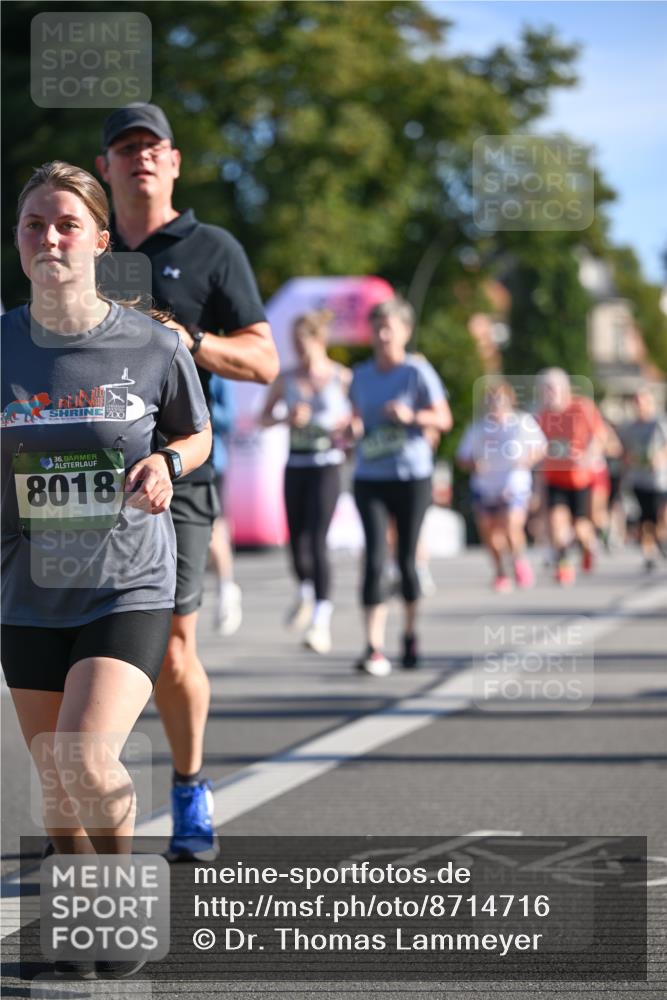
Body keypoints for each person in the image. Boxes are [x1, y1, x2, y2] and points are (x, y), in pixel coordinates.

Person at [1, 161, 211, 978]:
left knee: (86, 758)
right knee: (53, 780)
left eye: (64, 225)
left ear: (96, 238)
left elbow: (196, 434)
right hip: (25, 587)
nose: (49, 238)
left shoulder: (151, 342)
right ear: (18, 241)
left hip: (126, 581)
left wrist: (167, 462)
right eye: (33, 225)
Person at [95, 103, 279, 861]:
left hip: (182, 468)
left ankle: (189, 784)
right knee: (86, 643)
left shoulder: (212, 249)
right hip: (88, 474)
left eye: (153, 147)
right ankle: (86, 798)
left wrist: (191, 340)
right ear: (104, 167)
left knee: (171, 646)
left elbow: (265, 362)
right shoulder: (81, 246)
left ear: (174, 162)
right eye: (125, 148)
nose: (140, 158)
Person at [350, 296, 452, 675]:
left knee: (407, 562)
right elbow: (354, 418)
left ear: (406, 332)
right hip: (370, 477)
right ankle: (373, 646)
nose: (382, 334)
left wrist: (412, 415)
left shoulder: (417, 372)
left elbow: (444, 418)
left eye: (390, 327)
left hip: (411, 476)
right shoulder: (360, 374)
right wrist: (352, 427)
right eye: (377, 327)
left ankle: (409, 633)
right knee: (375, 559)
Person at [260, 310, 351, 654]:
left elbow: (357, 419)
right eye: (295, 343)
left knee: (318, 540)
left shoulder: (342, 377)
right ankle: (306, 590)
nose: (299, 349)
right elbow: (263, 418)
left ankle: (320, 621)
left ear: (319, 340)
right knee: (296, 544)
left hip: (327, 464)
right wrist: (286, 417)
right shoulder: (286, 379)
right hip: (296, 464)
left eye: (304, 342)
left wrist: (349, 427)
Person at [457, 379, 546, 592]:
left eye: (500, 400)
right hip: (485, 485)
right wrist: (474, 464)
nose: (495, 405)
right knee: (489, 532)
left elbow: (541, 447)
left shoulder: (522, 422)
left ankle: (518, 561)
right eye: (491, 401)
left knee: (511, 525)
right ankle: (500, 571)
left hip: (513, 483)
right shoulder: (477, 427)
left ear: (509, 401)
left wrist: (526, 460)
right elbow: (462, 457)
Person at [536, 368, 608, 585]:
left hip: (580, 479)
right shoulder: (542, 415)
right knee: (557, 525)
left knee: (581, 528)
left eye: (552, 388)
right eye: (545, 389)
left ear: (565, 388)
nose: (549, 393)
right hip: (555, 478)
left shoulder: (582, 407)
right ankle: (564, 566)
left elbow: (599, 436)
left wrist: (587, 455)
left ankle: (589, 548)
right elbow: (537, 447)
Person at [208, 374, 242, 635]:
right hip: (173, 464)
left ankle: (226, 588)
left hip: (211, 463)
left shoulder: (216, 373)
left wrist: (200, 407)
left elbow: (229, 419)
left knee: (213, 531)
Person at [620, 388, 667, 572]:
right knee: (646, 518)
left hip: (660, 479)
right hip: (639, 479)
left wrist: (661, 457)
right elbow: (621, 449)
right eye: (637, 402)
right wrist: (627, 459)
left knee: (661, 516)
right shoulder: (630, 427)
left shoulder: (659, 423)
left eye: (643, 402)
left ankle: (662, 539)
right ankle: (649, 554)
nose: (640, 406)